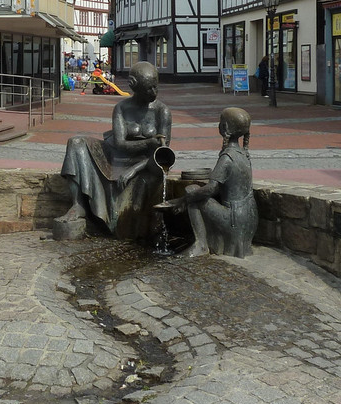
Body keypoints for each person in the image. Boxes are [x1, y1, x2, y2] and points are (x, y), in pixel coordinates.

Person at [59, 61, 172, 238]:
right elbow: (119, 144)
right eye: (148, 89)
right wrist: (149, 142)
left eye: (155, 87)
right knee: (76, 143)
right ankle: (78, 204)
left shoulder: (162, 111)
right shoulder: (121, 108)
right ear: (134, 85)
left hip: (144, 162)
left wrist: (133, 170)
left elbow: (162, 155)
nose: (154, 92)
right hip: (117, 154)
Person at [159, 107, 256, 258]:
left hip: (234, 219)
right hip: (250, 218)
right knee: (196, 194)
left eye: (220, 122)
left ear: (224, 128)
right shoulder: (244, 154)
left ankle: (201, 245)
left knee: (191, 191)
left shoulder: (227, 158)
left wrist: (182, 201)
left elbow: (211, 189)